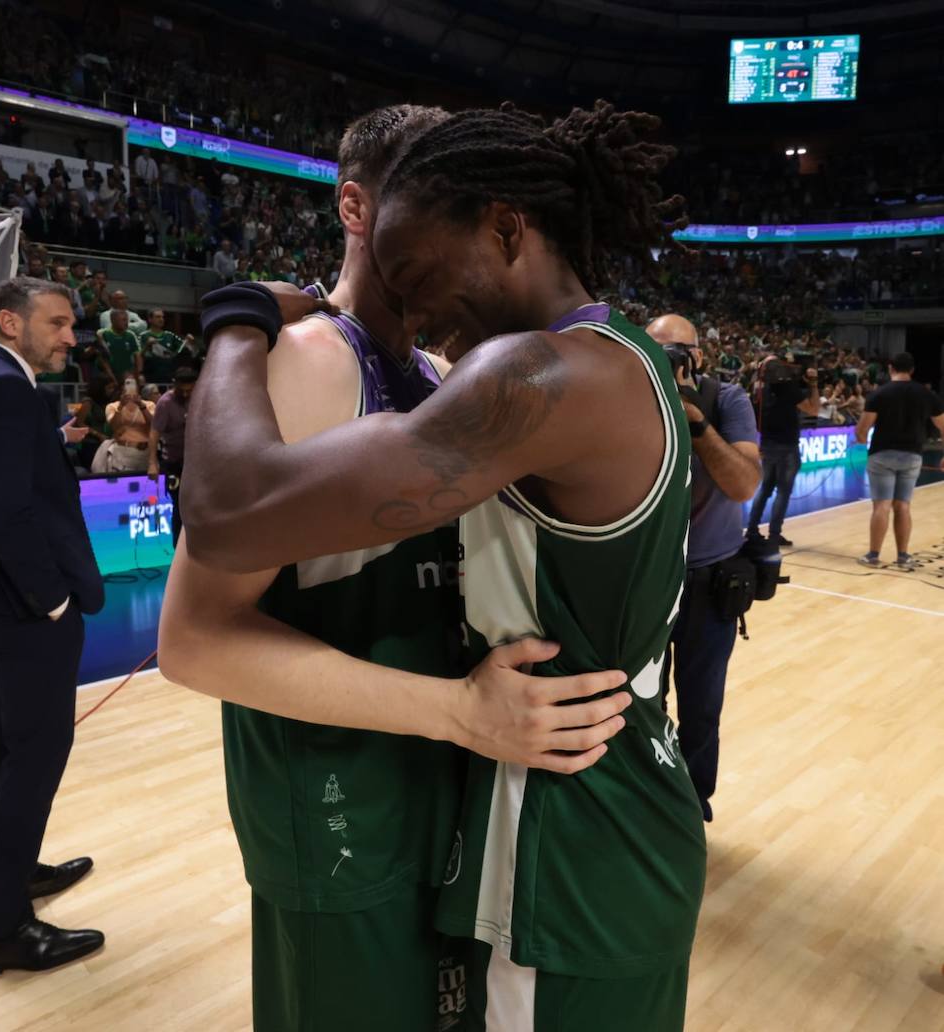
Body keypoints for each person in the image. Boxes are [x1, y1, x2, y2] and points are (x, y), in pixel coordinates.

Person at [180, 101, 704, 1030]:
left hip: (567, 824)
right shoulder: (612, 359)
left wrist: (232, 322)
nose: (418, 312)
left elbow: (233, 507)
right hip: (443, 810)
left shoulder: (539, 377)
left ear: (506, 224)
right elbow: (193, 634)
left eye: (420, 271)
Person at [0, 277, 105, 977]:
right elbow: (10, 515)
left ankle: (15, 877)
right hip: (25, 609)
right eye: (59, 323)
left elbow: (6, 486)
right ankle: (2, 933)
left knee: (1, 758)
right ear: (11, 320)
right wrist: (52, 600)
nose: (71, 335)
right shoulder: (6, 390)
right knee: (32, 765)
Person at [646, 313, 761, 823]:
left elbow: (743, 484)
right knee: (640, 700)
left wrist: (694, 420)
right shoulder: (629, 397)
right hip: (645, 578)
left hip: (708, 577)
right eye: (658, 350)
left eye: (679, 351)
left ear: (700, 356)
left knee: (701, 707)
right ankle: (643, 802)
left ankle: (690, 811)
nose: (670, 360)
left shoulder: (727, 399)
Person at [855, 351, 944, 569]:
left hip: (882, 454)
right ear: (912, 370)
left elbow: (862, 430)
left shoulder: (879, 394)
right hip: (912, 455)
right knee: (903, 505)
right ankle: (903, 556)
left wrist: (861, 439)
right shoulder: (926, 394)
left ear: (890, 368)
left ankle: (873, 555)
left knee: (882, 505)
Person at [746, 354, 819, 548]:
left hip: (767, 446)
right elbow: (813, 409)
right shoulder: (788, 388)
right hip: (787, 446)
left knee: (764, 489)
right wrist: (813, 384)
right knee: (783, 492)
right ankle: (774, 534)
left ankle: (751, 530)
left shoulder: (760, 389)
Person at [147, 365, 197, 543]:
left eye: (189, 390)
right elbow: (154, 433)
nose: (185, 394)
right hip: (173, 462)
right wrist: (152, 462)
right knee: (179, 505)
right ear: (174, 385)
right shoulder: (165, 402)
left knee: (197, 504)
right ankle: (178, 548)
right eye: (181, 390)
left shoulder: (200, 396)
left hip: (196, 462)